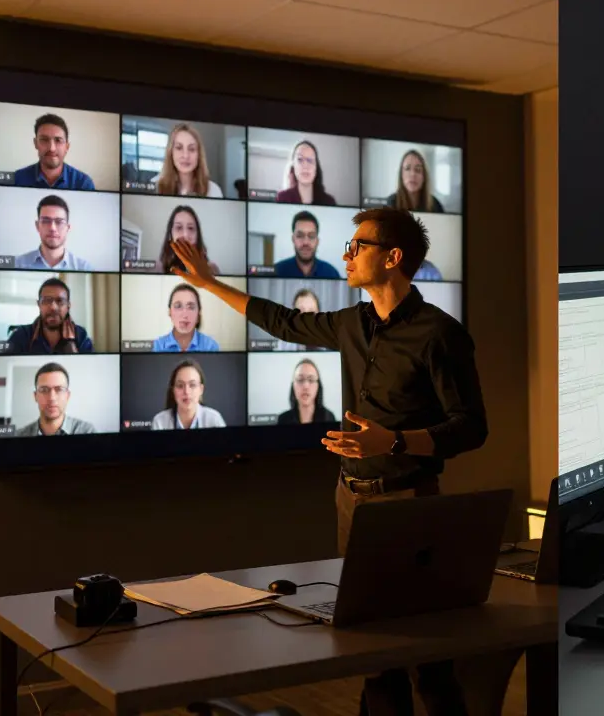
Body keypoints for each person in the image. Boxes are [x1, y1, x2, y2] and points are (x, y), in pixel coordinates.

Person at [169, 206, 488, 716]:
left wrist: (395, 442)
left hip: (410, 503)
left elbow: (472, 428)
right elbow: (282, 320)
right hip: (351, 501)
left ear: (393, 257)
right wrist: (209, 284)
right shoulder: (351, 323)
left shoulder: (439, 334)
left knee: (430, 656)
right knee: (370, 650)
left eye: (358, 245)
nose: (346, 254)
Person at [6, 278, 94, 354]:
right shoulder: (20, 336)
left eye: (60, 301)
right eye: (47, 301)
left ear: (68, 306)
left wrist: (70, 345)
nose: (53, 307)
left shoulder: (81, 335)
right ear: (39, 304)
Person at [12, 114, 95, 190]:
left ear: (67, 147)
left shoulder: (83, 183)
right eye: (44, 140)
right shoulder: (17, 179)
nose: (52, 148)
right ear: (35, 143)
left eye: (58, 140)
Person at [15, 363, 97, 436]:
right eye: (44, 390)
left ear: (67, 396)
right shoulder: (19, 435)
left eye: (59, 389)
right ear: (35, 396)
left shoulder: (87, 431)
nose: (52, 398)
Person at [14, 195, 93, 271]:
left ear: (67, 228)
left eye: (59, 222)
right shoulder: (17, 264)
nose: (52, 228)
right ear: (37, 226)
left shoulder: (84, 267)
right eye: (46, 221)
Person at [151, 359, 226, 429]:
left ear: (201, 389)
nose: (186, 391)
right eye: (180, 386)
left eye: (192, 385)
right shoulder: (160, 422)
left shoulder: (214, 419)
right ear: (173, 390)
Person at [155, 123, 223, 198]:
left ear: (199, 154)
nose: (186, 156)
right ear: (171, 153)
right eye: (179, 148)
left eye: (192, 149)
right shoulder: (156, 186)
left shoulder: (213, 190)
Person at [152, 284, 220, 352]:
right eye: (178, 306)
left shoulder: (210, 346)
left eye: (191, 307)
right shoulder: (157, 346)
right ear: (170, 312)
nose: (185, 314)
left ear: (198, 313)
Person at [272, 211, 341, 278]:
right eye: (300, 236)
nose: (305, 242)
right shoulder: (276, 272)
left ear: (317, 241)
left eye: (311, 236)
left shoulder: (331, 273)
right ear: (293, 239)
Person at [155, 205, 220, 275]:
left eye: (191, 228)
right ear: (170, 234)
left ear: (197, 235)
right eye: (179, 227)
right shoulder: (157, 268)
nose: (185, 235)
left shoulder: (212, 269)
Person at [276, 359, 338, 425]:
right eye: (300, 380)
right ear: (293, 385)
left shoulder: (329, 417)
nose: (306, 386)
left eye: (311, 380)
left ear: (318, 386)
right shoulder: (283, 420)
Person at [275, 140, 337, 205]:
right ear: (293, 166)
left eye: (310, 160)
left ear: (316, 168)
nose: (305, 166)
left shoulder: (329, 201)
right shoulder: (282, 198)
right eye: (300, 159)